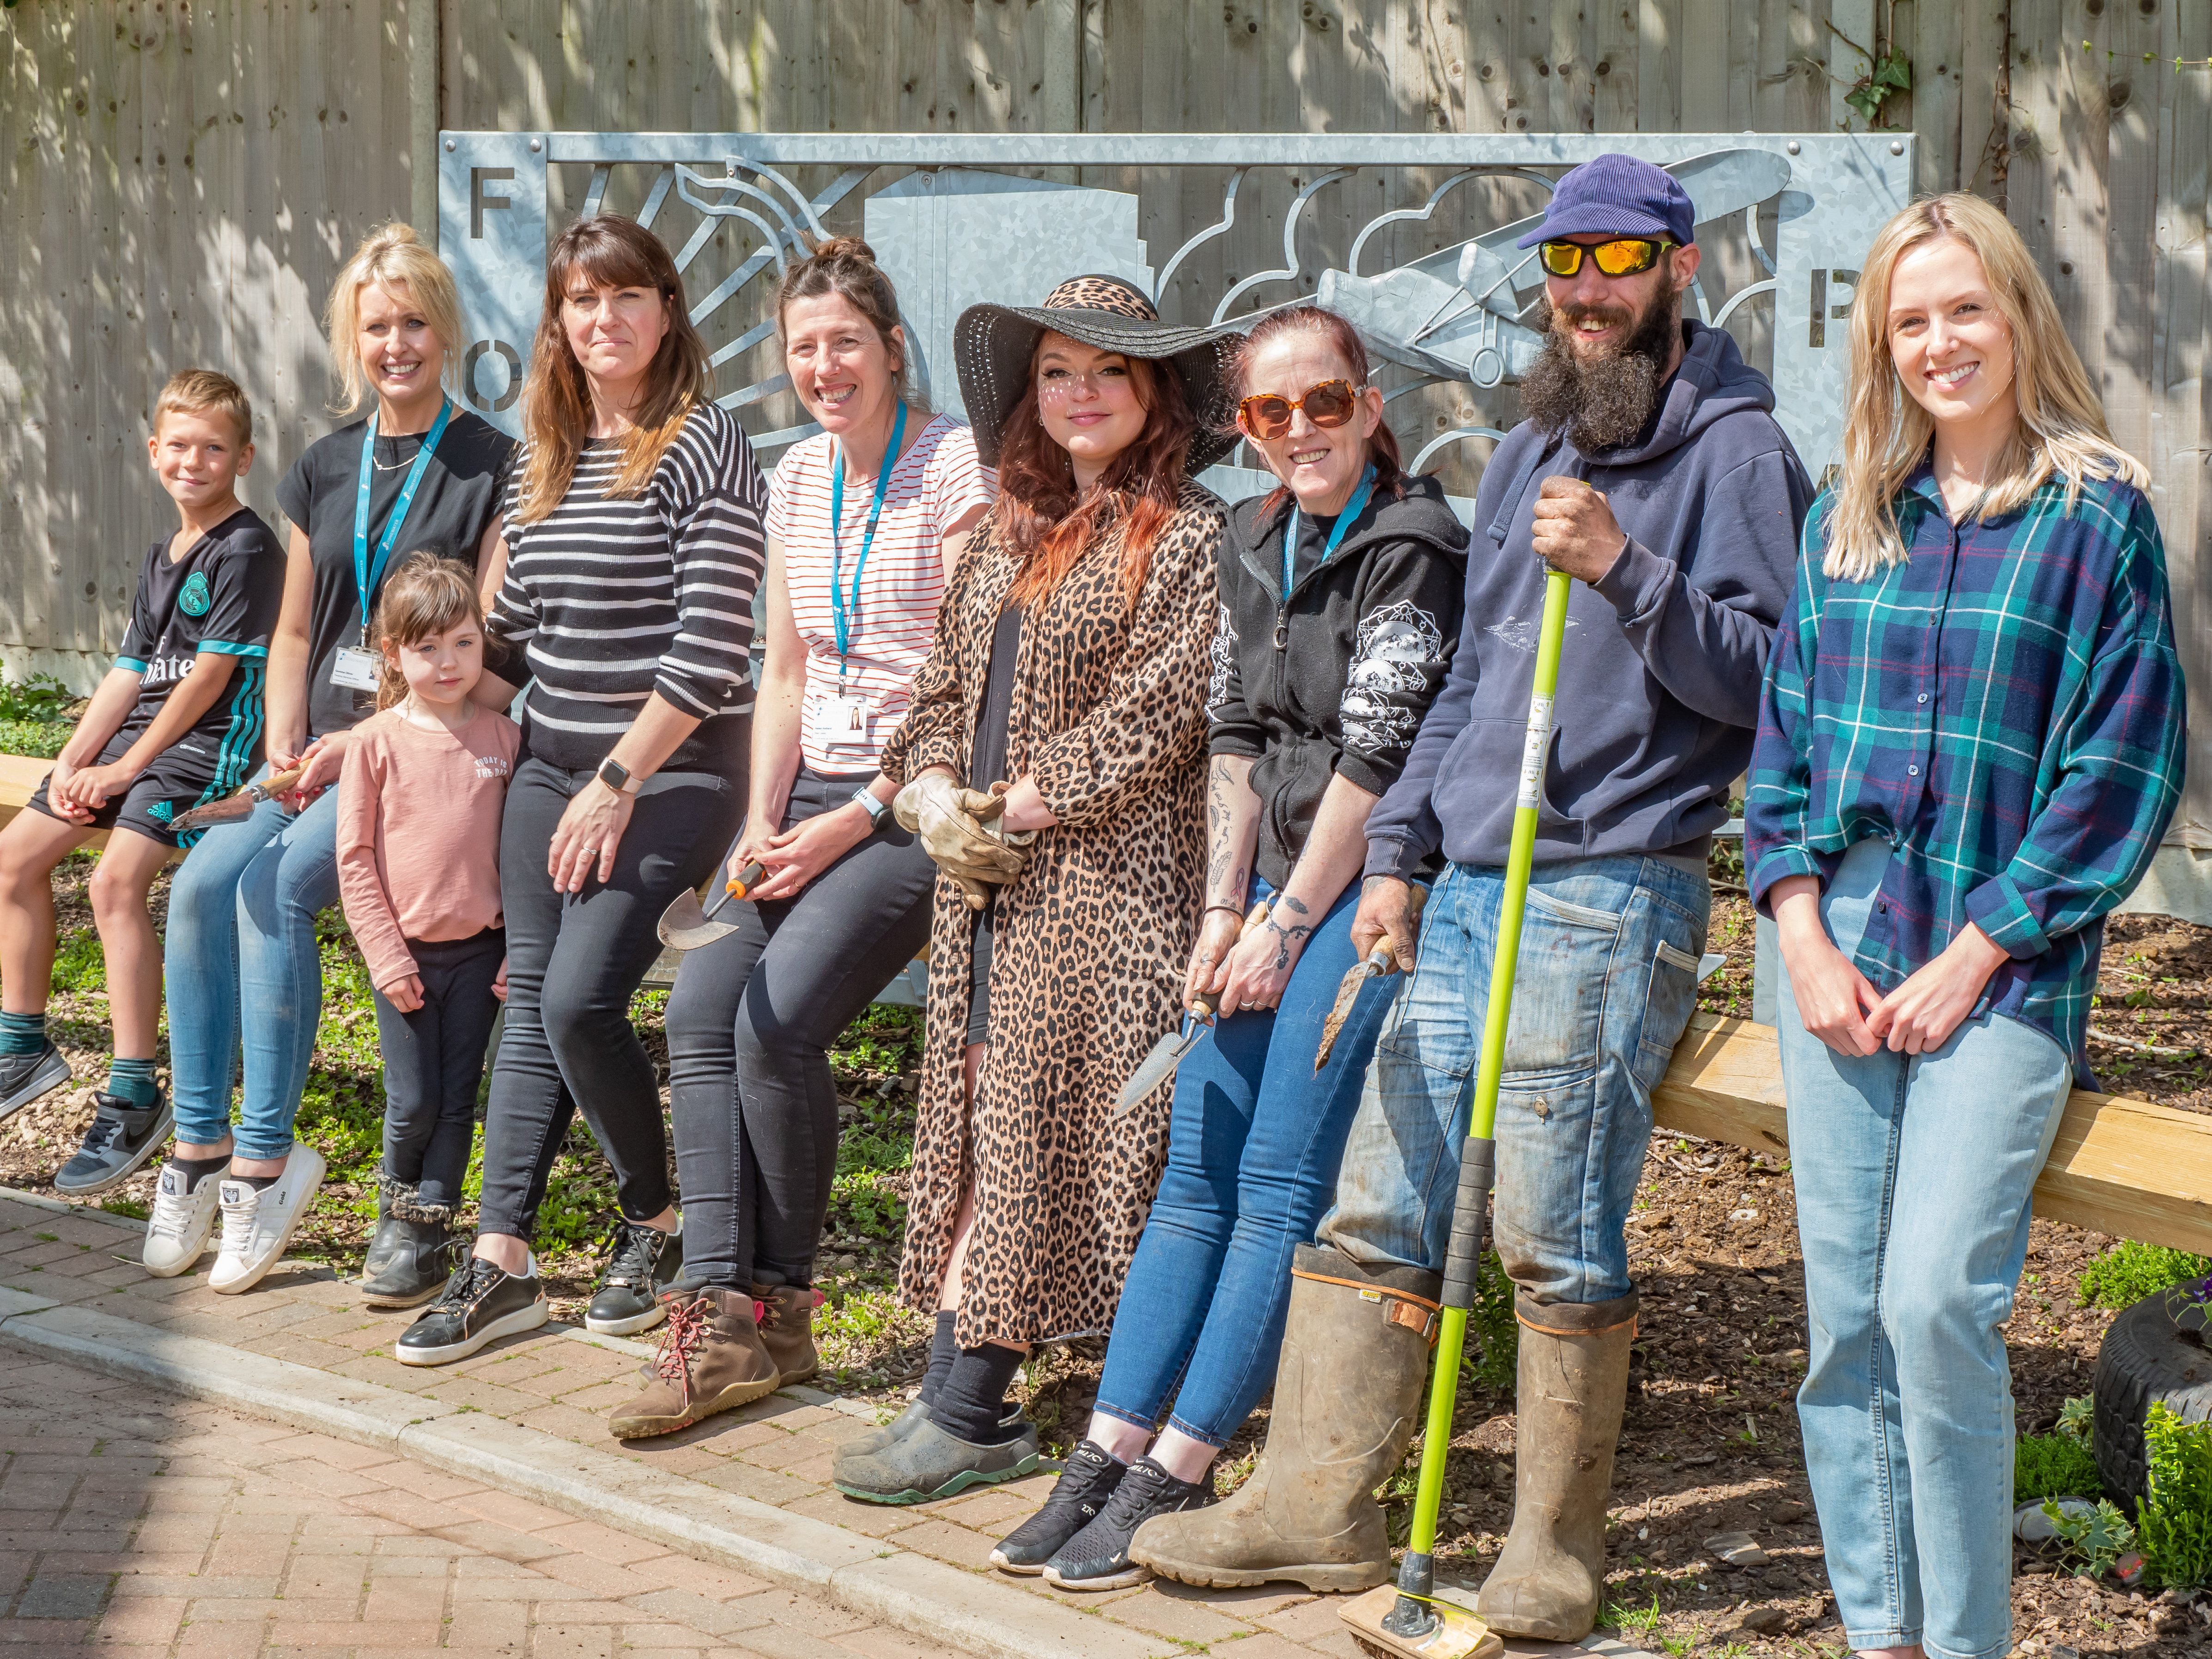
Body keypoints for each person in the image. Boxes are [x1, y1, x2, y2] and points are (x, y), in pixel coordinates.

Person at [1133, 154, 1811, 1634]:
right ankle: (1317, 1507)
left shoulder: (1737, 454)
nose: (1584, 293)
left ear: (1679, 270)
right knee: (1381, 1201)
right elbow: (1459, 689)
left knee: (1547, 1229)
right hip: (1462, 891)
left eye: (1617, 262)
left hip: (1607, 886)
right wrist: (1393, 865)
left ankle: (1550, 1553)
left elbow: (1776, 691)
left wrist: (1629, 570)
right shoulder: (1523, 453)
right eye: (1563, 266)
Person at [1746, 193, 2182, 1659]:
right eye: (1909, 320)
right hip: (1834, 938)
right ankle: (1881, 1634)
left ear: (2015, 317)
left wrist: (1979, 946)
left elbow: (2118, 768)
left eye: (1963, 310)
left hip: (2002, 957)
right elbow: (1782, 747)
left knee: (1933, 1298)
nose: (1940, 342)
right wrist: (1800, 933)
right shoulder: (1847, 516)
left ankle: (1964, 1642)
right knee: (1841, 1323)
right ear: (1882, 344)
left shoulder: (2093, 513)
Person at [994, 306, 1469, 1589]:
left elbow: (1375, 759)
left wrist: (1285, 924)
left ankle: (1182, 1469)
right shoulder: (1252, 535)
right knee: (1190, 1175)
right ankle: (1104, 1449)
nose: (1299, 430)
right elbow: (1233, 735)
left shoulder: (1412, 545)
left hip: (1361, 897)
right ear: (1244, 428)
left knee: (1271, 1185)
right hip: (1260, 895)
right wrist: (1220, 915)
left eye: (1324, 403)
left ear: (1371, 406)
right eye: (1270, 412)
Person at [827, 276, 1233, 1504]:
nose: (1080, 394)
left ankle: (972, 1404)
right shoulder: (1007, 532)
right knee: (975, 1107)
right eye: (1058, 372)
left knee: (1033, 1120)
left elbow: (1159, 712)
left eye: (1108, 371)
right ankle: (959, 1387)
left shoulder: (1193, 537)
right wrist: (934, 793)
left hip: (1107, 888)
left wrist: (1019, 803)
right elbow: (939, 695)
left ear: (1153, 391)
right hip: (986, 882)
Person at [610, 239, 994, 1438]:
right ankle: (723, 1315)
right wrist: (762, 820)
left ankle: (780, 1306)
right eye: (802, 348)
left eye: (845, 342)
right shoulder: (791, 481)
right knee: (692, 1010)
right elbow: (780, 674)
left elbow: (971, 675)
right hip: (805, 794)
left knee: (773, 1019)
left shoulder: (952, 468)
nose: (823, 366)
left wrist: (849, 818)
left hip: (914, 801)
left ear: (890, 348)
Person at [395, 213, 766, 1368]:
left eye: (628, 298)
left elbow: (710, 653)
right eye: (582, 301)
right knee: (531, 999)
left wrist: (615, 782)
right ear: (559, 321)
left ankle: (657, 1222)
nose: (605, 321)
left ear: (666, 310)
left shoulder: (706, 442)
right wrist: (399, 730)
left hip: (674, 769)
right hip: (549, 764)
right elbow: (512, 642)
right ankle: (502, 1259)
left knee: (575, 1002)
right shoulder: (542, 456)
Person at [146, 225, 515, 1294]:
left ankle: (268, 1159)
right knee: (198, 887)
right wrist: (283, 747)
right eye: (375, 325)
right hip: (310, 748)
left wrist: (361, 743)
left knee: (274, 887)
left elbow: (484, 646)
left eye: (412, 322)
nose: (395, 342)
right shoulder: (321, 464)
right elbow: (298, 631)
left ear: (443, 329)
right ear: (351, 340)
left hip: (409, 749)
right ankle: (201, 1149)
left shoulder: (490, 461)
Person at [0, 372, 284, 1209]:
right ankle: (23, 1045)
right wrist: (73, 762)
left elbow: (206, 680)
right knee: (15, 859)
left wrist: (124, 772)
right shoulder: (165, 552)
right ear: (154, 451)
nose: (194, 462)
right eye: (180, 446)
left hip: (205, 749)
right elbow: (131, 673)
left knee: (113, 882)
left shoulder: (247, 547)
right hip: (139, 740)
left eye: (214, 448)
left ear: (243, 457)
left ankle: (133, 1094)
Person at [335, 555, 519, 1306]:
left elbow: (524, 861)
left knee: (457, 1097)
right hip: (405, 960)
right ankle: (396, 1219)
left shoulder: (505, 741)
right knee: (412, 1100)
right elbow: (354, 859)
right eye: (428, 648)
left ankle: (433, 1229)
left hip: (481, 956)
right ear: (393, 652)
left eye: (465, 645)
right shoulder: (375, 742)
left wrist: (517, 953)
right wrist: (386, 955)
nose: (449, 664)